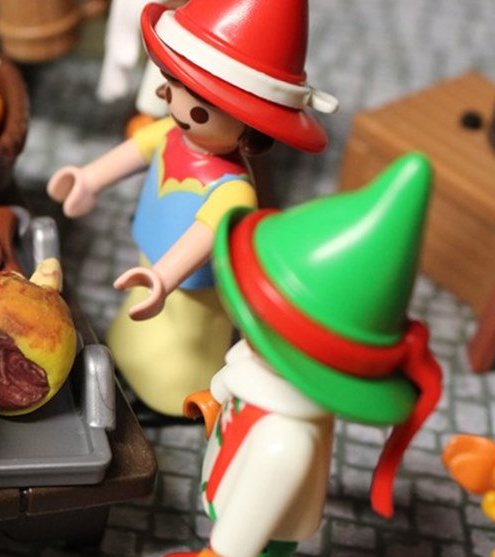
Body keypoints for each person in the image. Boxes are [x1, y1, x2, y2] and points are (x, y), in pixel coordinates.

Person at [150, 154, 443, 557]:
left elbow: (259, 502)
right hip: (230, 487)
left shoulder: (286, 437)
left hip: (257, 531)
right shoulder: (262, 366)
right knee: (225, 521)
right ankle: (211, 555)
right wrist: (217, 395)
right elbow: (241, 370)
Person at [48, 0, 337, 415]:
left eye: (201, 108)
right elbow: (135, 150)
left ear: (251, 127)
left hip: (191, 288)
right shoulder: (170, 133)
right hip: (150, 260)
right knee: (136, 326)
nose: (178, 107)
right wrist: (88, 178)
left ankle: (175, 391)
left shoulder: (233, 189)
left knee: (181, 344)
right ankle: (129, 352)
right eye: (171, 85)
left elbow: (205, 231)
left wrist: (164, 277)